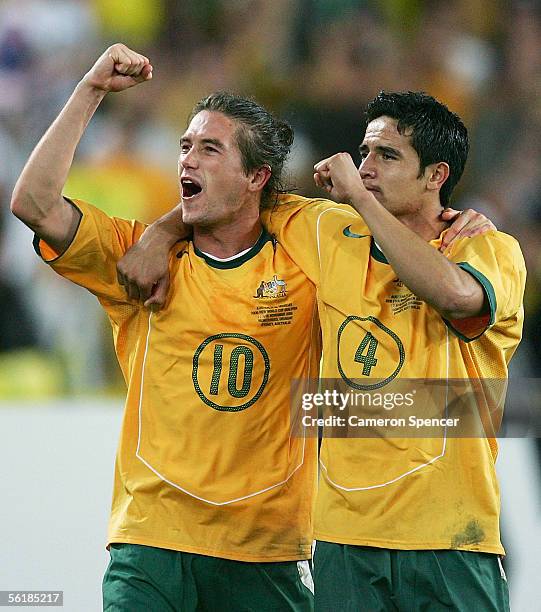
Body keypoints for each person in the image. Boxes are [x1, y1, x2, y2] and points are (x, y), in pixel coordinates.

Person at [120, 91, 525, 611]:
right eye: (365, 153)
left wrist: (359, 199)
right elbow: (238, 196)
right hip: (342, 543)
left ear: (435, 176)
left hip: (449, 535)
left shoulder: (486, 249)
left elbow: (454, 296)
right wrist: (159, 233)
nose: (366, 167)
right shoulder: (327, 231)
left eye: (387, 155)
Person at [10, 44, 321, 611]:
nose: (187, 160)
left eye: (209, 148)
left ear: (257, 176)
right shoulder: (134, 260)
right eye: (184, 146)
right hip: (152, 544)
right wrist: (90, 92)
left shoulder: (305, 268)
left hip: (266, 550)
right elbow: (33, 203)